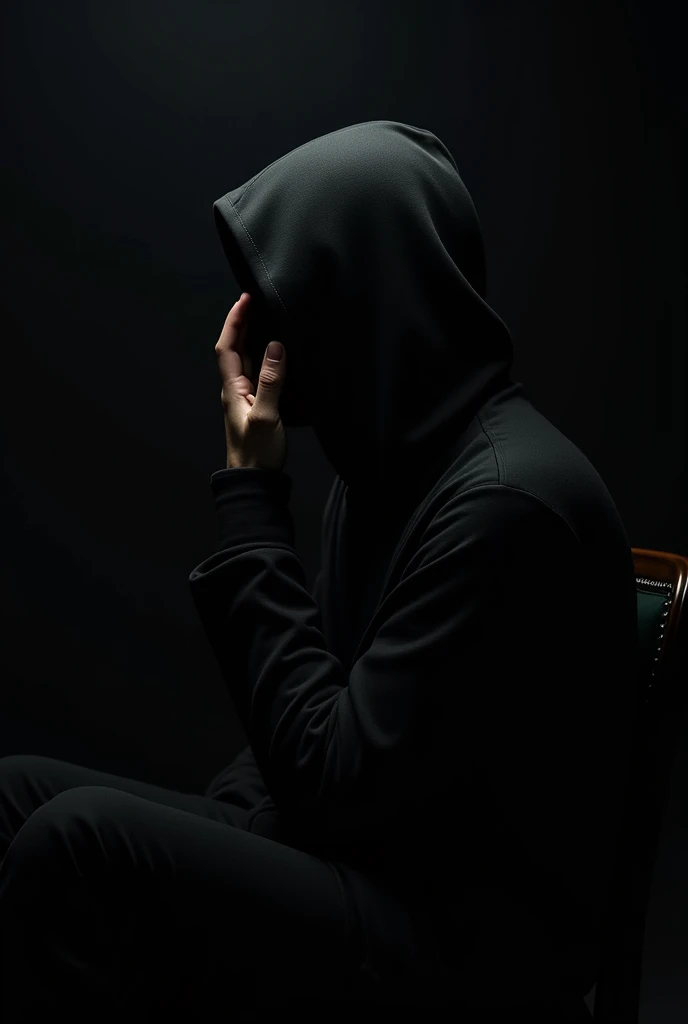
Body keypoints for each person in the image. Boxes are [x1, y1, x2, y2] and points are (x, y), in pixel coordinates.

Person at [0, 120, 639, 1021]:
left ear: (363, 299)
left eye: (280, 293)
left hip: (467, 961)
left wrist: (249, 497)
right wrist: (219, 837)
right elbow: (320, 748)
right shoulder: (386, 475)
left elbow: (338, 786)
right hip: (367, 867)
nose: (253, 324)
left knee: (76, 848)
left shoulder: (508, 504)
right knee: (13, 795)